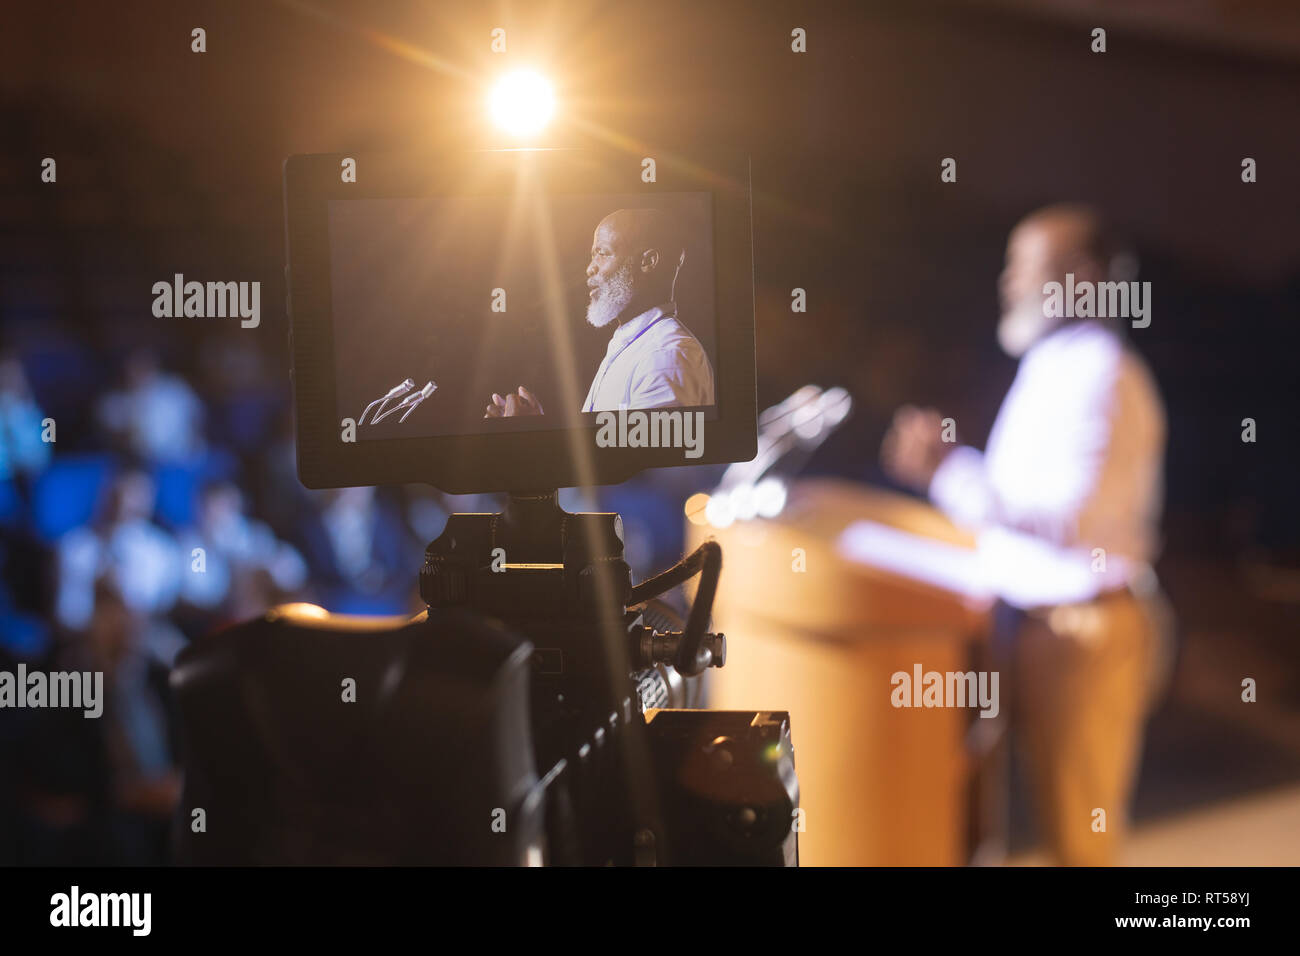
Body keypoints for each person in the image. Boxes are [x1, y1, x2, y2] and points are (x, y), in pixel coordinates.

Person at [881, 203, 1172, 866]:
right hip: (1035, 625)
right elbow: (1027, 504)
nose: (1008, 282)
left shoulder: (1099, 373)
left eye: (1025, 267)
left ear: (1084, 276)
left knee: (1081, 842)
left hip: (1078, 631)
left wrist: (947, 471)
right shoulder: (1057, 364)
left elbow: (1068, 519)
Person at [485, 208, 715, 417]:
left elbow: (648, 460)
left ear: (648, 261)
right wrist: (534, 426)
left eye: (602, 253)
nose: (590, 268)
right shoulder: (636, 344)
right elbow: (608, 451)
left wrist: (528, 439)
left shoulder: (665, 355)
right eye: (592, 255)